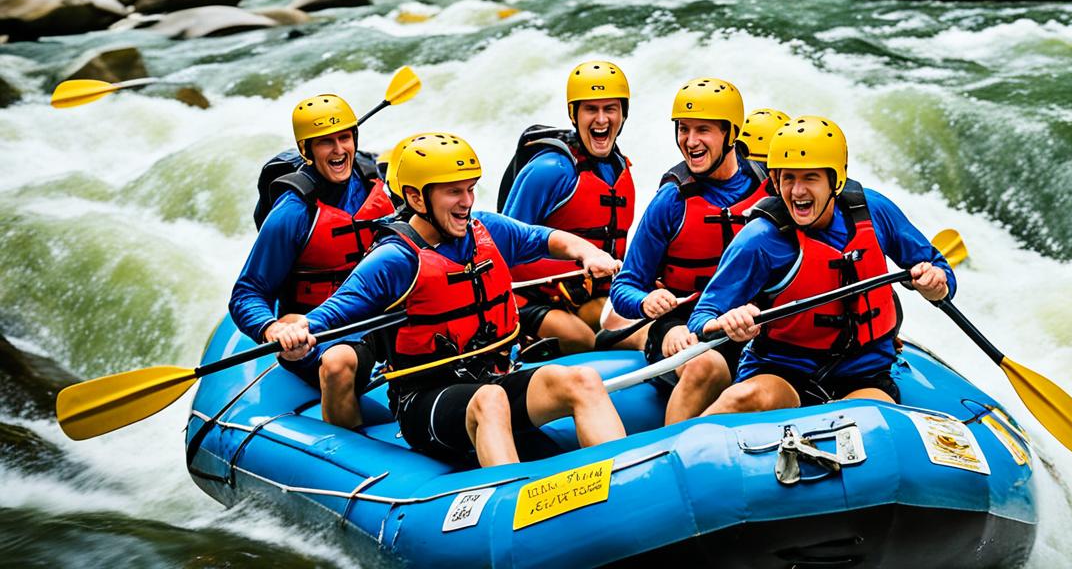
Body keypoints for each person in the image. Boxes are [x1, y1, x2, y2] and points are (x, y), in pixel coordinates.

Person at [269, 133, 627, 466]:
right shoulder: (394, 258)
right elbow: (332, 314)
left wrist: (588, 253)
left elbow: (547, 239)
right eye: (453, 192)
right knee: (490, 401)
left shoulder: (484, 229)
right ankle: (512, 508)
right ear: (415, 197)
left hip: (493, 376)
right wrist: (295, 336)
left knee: (582, 380)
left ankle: (623, 482)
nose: (466, 202)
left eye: (470, 190)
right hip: (427, 402)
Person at [687, 116, 955, 414]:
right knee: (741, 399)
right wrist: (724, 322)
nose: (797, 191)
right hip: (781, 373)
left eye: (810, 178)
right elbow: (702, 318)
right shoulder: (760, 239)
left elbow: (939, 271)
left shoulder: (875, 212)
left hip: (863, 376)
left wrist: (935, 282)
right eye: (788, 178)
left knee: (869, 420)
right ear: (775, 181)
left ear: (835, 180)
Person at [608, 78, 773, 423]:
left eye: (704, 130)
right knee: (705, 366)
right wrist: (645, 303)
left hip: (754, 322)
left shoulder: (767, 187)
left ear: (731, 134)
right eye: (683, 129)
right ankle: (673, 458)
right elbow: (624, 287)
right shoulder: (672, 201)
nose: (690, 141)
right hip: (684, 325)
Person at [229, 94, 395, 428]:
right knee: (337, 362)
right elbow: (247, 293)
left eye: (344, 138)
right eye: (325, 143)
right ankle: (346, 449)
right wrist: (273, 328)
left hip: (384, 319)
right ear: (306, 151)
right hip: (323, 331)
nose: (338, 151)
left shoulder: (375, 183)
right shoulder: (292, 213)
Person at [500, 60, 636, 353]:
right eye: (590, 109)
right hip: (526, 298)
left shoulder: (622, 172)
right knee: (579, 338)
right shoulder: (550, 170)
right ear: (574, 114)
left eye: (610, 109)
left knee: (628, 319)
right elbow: (502, 247)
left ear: (623, 114)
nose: (601, 119)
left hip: (578, 298)